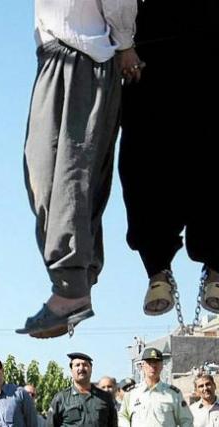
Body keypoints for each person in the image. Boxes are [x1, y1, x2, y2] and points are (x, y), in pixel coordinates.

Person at [17, 0, 140, 338]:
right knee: (43, 179)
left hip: (84, 56)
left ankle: (72, 286)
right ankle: (76, 281)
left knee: (71, 176)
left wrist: (125, 44)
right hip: (54, 58)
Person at [118, 0, 219, 317]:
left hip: (209, 49)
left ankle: (215, 268)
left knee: (212, 160)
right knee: (145, 164)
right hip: (149, 53)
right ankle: (157, 270)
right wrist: (123, 45)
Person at [119, 348, 193, 427]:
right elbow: (123, 416)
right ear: (142, 365)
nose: (153, 366)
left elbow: (186, 420)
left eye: (156, 362)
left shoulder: (173, 394)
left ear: (162, 366)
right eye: (149, 363)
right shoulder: (132, 393)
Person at [46, 353, 117, 426]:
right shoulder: (61, 399)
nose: (81, 368)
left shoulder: (105, 398)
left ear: (91, 369)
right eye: (77, 365)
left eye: (85, 365)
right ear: (71, 370)